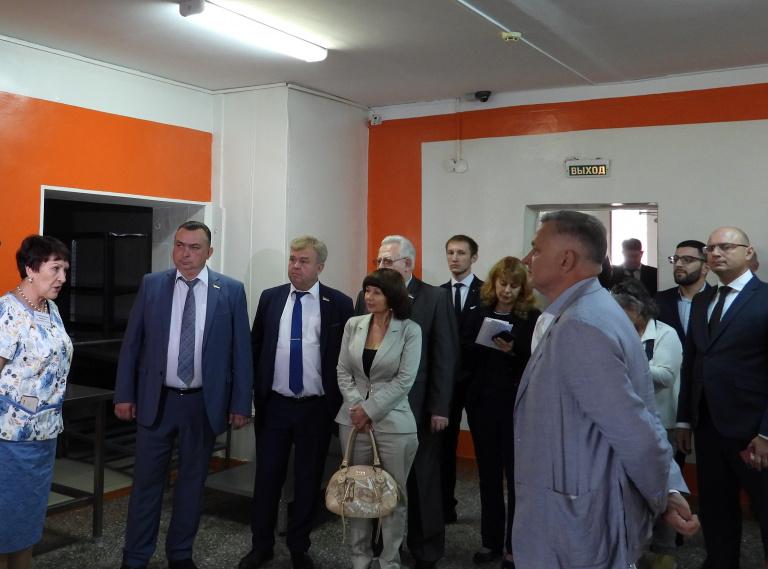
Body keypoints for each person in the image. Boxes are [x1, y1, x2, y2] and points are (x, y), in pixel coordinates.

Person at [514, 210, 698, 568]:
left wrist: (662, 493)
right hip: (575, 501)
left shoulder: (582, 325)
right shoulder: (591, 310)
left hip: (575, 517)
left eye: (536, 249)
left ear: (566, 259)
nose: (526, 259)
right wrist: (667, 487)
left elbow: (633, 428)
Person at [114, 221, 253, 569]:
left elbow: (242, 352)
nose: (185, 254)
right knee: (146, 484)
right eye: (179, 245)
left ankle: (180, 554)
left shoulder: (231, 290)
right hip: (156, 401)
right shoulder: (152, 284)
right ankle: (136, 556)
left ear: (209, 252)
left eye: (194, 247)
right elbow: (132, 344)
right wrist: (124, 394)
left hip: (202, 404)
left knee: (191, 484)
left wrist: (241, 403)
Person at [241, 236, 353, 569]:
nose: (295, 266)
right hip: (275, 405)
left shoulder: (339, 303)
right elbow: (256, 346)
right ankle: (261, 545)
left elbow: (345, 356)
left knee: (307, 479)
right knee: (267, 478)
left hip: (315, 407)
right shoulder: (271, 298)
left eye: (304, 261)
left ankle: (299, 547)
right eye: (292, 259)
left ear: (320, 266)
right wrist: (251, 395)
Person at [355, 235, 457, 569]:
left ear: (408, 264)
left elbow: (444, 355)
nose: (380, 266)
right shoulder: (367, 297)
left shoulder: (435, 298)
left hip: (418, 408)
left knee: (421, 482)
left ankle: (426, 550)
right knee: (378, 481)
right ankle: (382, 547)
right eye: (378, 261)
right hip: (375, 409)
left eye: (387, 261)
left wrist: (440, 407)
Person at [676, 227, 768, 568]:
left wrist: (766, 433)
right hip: (708, 425)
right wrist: (684, 418)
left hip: (753, 430)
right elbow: (692, 362)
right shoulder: (704, 300)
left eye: (726, 246)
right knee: (716, 507)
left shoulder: (764, 298)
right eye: (711, 248)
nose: (715, 253)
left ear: (748, 252)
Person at [336, 268, 422, 569]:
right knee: (357, 493)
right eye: (367, 291)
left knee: (393, 497)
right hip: (353, 421)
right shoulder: (354, 324)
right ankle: (360, 557)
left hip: (394, 423)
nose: (369, 297)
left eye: (377, 292)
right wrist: (357, 408)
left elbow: (405, 380)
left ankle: (389, 560)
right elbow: (343, 371)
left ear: (392, 296)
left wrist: (370, 410)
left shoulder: (410, 330)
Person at [0, 236, 72, 569]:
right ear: (30, 269)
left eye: (65, 269)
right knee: (5, 523)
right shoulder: (8, 311)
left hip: (44, 436)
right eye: (55, 268)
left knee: (27, 524)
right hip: (10, 441)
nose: (62, 278)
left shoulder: (50, 309)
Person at [463, 257, 539, 568]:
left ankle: (513, 546)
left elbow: (537, 361)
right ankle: (490, 541)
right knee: (488, 477)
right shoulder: (477, 313)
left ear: (522, 289)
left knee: (517, 479)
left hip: (517, 407)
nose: (506, 291)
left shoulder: (531, 318)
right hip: (483, 404)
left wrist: (513, 352)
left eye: (513, 286)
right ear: (493, 284)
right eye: (502, 284)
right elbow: (464, 355)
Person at [612, 279, 684, 565]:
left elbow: (666, 375)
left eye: (625, 310)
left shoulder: (665, 334)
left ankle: (665, 548)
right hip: (626, 421)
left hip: (660, 421)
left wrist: (630, 364)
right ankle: (636, 551)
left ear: (640, 309)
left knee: (661, 485)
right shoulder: (616, 331)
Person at [439, 234, 483, 524]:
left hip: (478, 381)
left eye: (461, 253)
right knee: (444, 448)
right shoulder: (438, 293)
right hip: (447, 383)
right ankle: (445, 507)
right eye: (450, 252)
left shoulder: (488, 292)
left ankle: (491, 518)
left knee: (485, 448)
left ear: (473, 257)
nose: (455, 258)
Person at [655, 240, 711, 345]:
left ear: (705, 267)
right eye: (675, 259)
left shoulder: (717, 300)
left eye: (687, 260)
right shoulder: (659, 300)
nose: (678, 264)